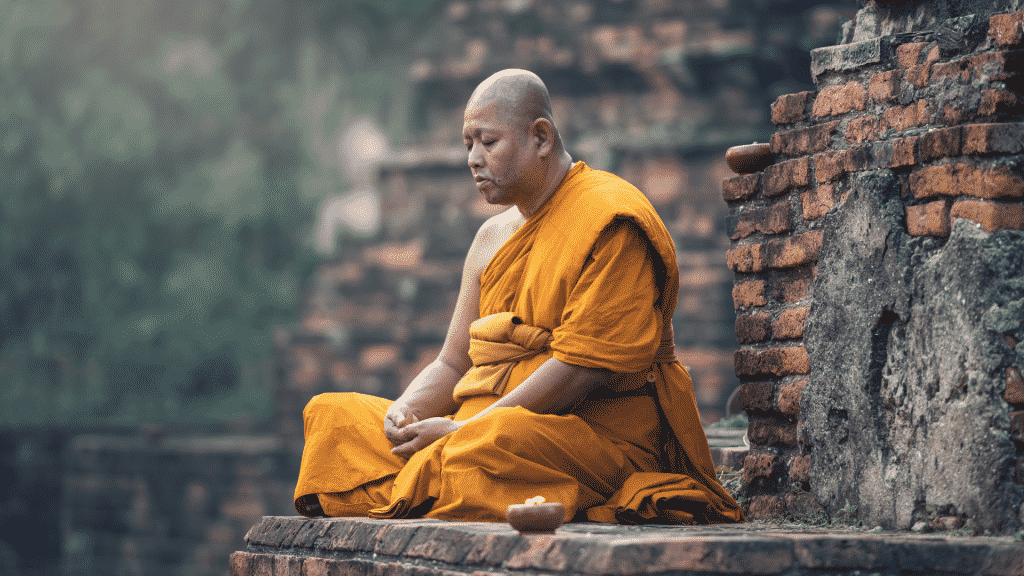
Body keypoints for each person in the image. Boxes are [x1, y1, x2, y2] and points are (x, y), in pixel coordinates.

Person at [293, 69, 745, 525]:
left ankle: (423, 476)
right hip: (478, 428)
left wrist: (465, 429)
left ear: (542, 138)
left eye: (488, 143)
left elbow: (578, 371)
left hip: (585, 437)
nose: (473, 159)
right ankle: (427, 473)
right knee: (332, 417)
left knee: (488, 447)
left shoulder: (610, 219)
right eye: (467, 144)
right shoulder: (491, 237)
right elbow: (453, 363)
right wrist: (404, 413)